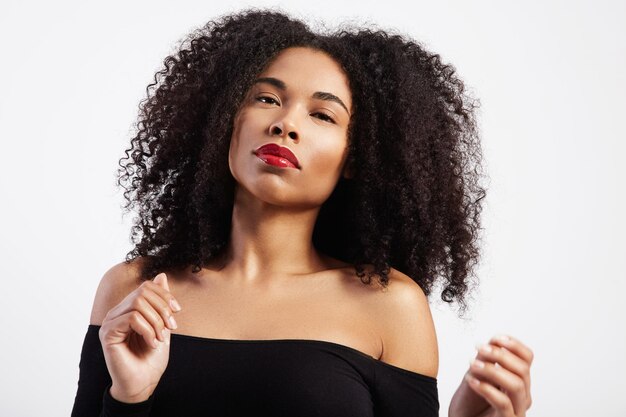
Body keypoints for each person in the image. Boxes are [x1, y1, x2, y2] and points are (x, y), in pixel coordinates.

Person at [71, 8, 534, 417]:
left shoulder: (389, 307)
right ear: (225, 120)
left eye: (323, 115)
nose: (286, 123)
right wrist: (129, 398)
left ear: (356, 159)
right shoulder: (134, 291)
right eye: (267, 98)